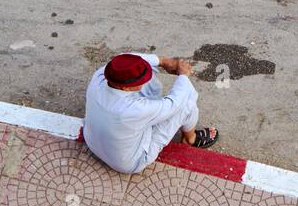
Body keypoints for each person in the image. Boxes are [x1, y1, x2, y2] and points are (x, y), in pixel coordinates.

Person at [82, 53, 220, 174]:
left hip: (92, 142)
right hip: (130, 163)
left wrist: (164, 62)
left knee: (149, 74)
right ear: (124, 87)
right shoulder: (134, 109)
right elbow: (175, 103)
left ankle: (158, 112)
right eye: (139, 82)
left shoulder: (100, 77)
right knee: (187, 101)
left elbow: (125, 58)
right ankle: (191, 139)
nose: (144, 81)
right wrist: (183, 76)